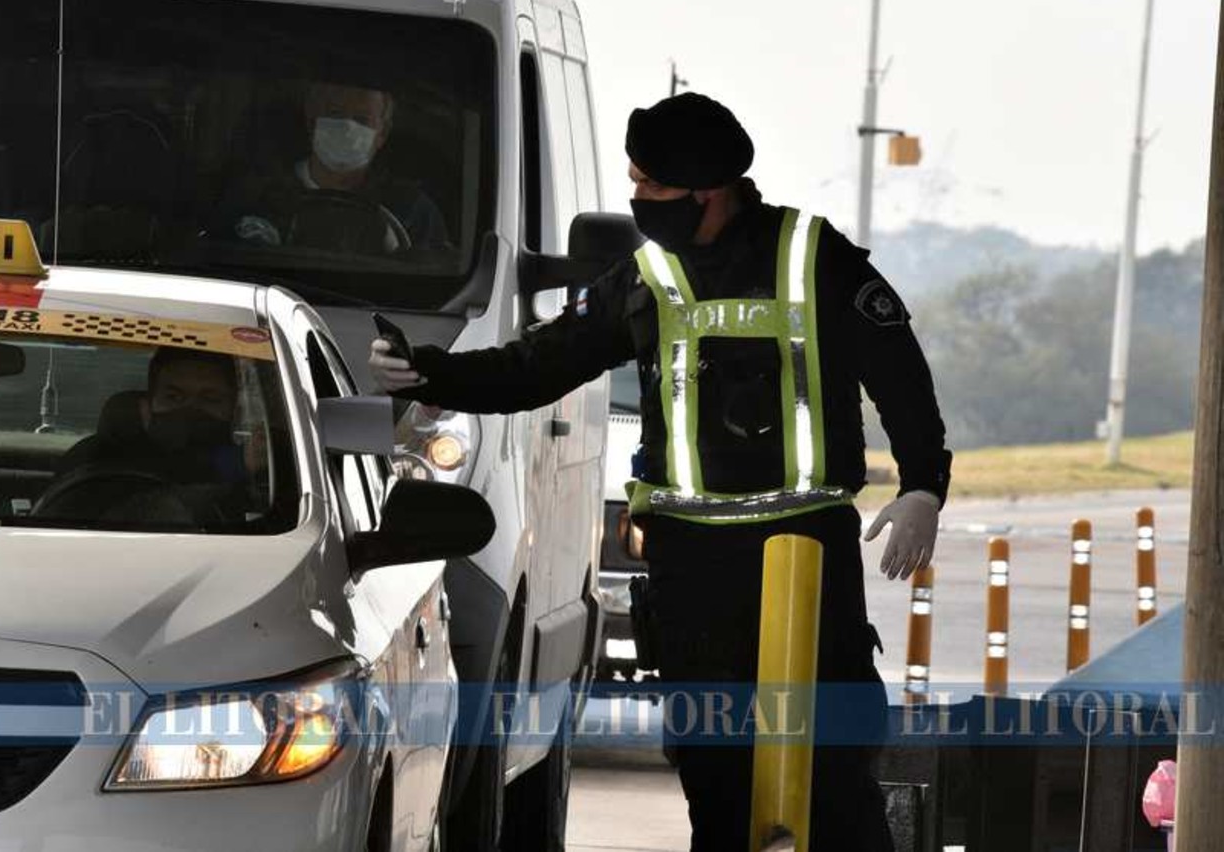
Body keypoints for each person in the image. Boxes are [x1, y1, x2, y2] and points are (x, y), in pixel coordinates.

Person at [369, 92, 950, 852]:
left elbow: (900, 377)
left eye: (649, 183)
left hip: (804, 549)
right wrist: (428, 375)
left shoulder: (815, 257)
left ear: (705, 188)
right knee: (715, 780)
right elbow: (538, 363)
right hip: (691, 561)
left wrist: (921, 487)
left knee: (831, 775)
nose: (636, 198)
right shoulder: (646, 275)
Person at [229, 81, 450, 252]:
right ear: (311, 119)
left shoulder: (411, 210)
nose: (347, 128)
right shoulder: (259, 197)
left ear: (382, 133)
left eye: (362, 120)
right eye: (335, 114)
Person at [60, 347, 258, 487]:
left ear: (235, 413)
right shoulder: (91, 463)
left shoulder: (268, 477)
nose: (190, 411)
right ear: (146, 409)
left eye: (210, 399)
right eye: (174, 397)